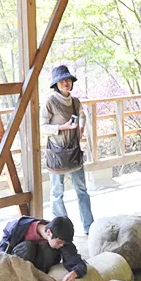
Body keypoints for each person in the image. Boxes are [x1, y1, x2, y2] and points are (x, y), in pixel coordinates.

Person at [42, 64, 94, 234]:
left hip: (73, 151)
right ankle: (62, 232)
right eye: (62, 80)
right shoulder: (50, 101)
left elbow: (82, 118)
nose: (65, 83)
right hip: (57, 152)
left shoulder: (75, 101)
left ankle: (89, 227)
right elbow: (42, 126)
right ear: (56, 84)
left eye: (68, 80)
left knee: (82, 191)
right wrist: (61, 127)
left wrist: (79, 133)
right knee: (57, 193)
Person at [0, 215, 87, 281]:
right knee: (27, 247)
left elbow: (77, 261)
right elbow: (3, 250)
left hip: (40, 267)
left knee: (49, 249)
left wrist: (75, 273)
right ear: (48, 232)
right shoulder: (19, 227)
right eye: (59, 242)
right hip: (21, 264)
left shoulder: (61, 236)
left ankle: (38, 280)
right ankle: (20, 280)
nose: (61, 245)